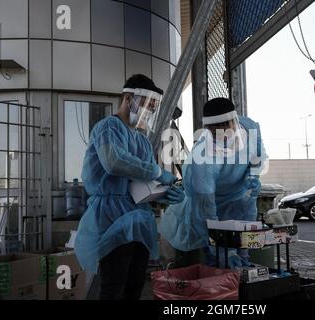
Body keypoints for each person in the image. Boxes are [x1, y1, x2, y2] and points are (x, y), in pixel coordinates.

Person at [74, 74, 185, 300]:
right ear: (128, 98)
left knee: (134, 285)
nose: (150, 112)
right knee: (113, 285)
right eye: (147, 105)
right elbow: (115, 162)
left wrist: (163, 194)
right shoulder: (108, 128)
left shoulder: (141, 140)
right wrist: (158, 172)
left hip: (139, 219)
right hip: (111, 218)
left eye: (153, 107)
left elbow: (144, 184)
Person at [159, 97, 267, 268]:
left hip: (242, 197)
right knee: (216, 261)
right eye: (217, 133)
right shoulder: (202, 158)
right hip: (208, 206)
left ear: (236, 121)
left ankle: (245, 262)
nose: (224, 137)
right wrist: (225, 251)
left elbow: (258, 156)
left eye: (228, 129)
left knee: (245, 238)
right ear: (208, 130)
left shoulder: (250, 128)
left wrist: (252, 176)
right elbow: (207, 211)